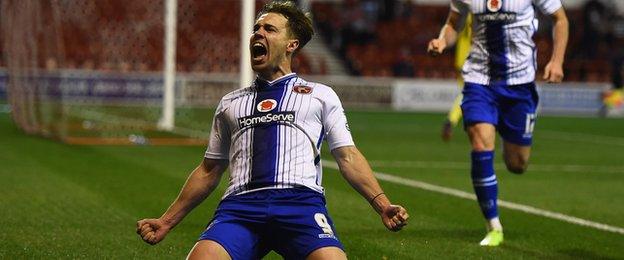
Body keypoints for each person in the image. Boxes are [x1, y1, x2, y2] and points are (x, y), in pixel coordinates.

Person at [136, 1, 409, 259]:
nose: (258, 33)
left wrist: (382, 204)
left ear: (291, 44)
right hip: (240, 208)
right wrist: (167, 221)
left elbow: (347, 157)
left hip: (301, 205)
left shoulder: (321, 95)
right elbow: (209, 170)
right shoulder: (230, 103)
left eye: (269, 29)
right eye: (256, 28)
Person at [427, 0, 568, 246]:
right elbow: (452, 23)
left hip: (520, 85)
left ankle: (504, 132)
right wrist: (442, 41)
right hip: (479, 81)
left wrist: (557, 60)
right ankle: (493, 226)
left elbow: (561, 19)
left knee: (517, 163)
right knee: (480, 144)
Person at [441, 14, 472, 142]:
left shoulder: (466, 12)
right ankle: (452, 120)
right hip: (471, 60)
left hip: (461, 58)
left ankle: (458, 120)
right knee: (469, 92)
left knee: (468, 93)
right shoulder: (477, 13)